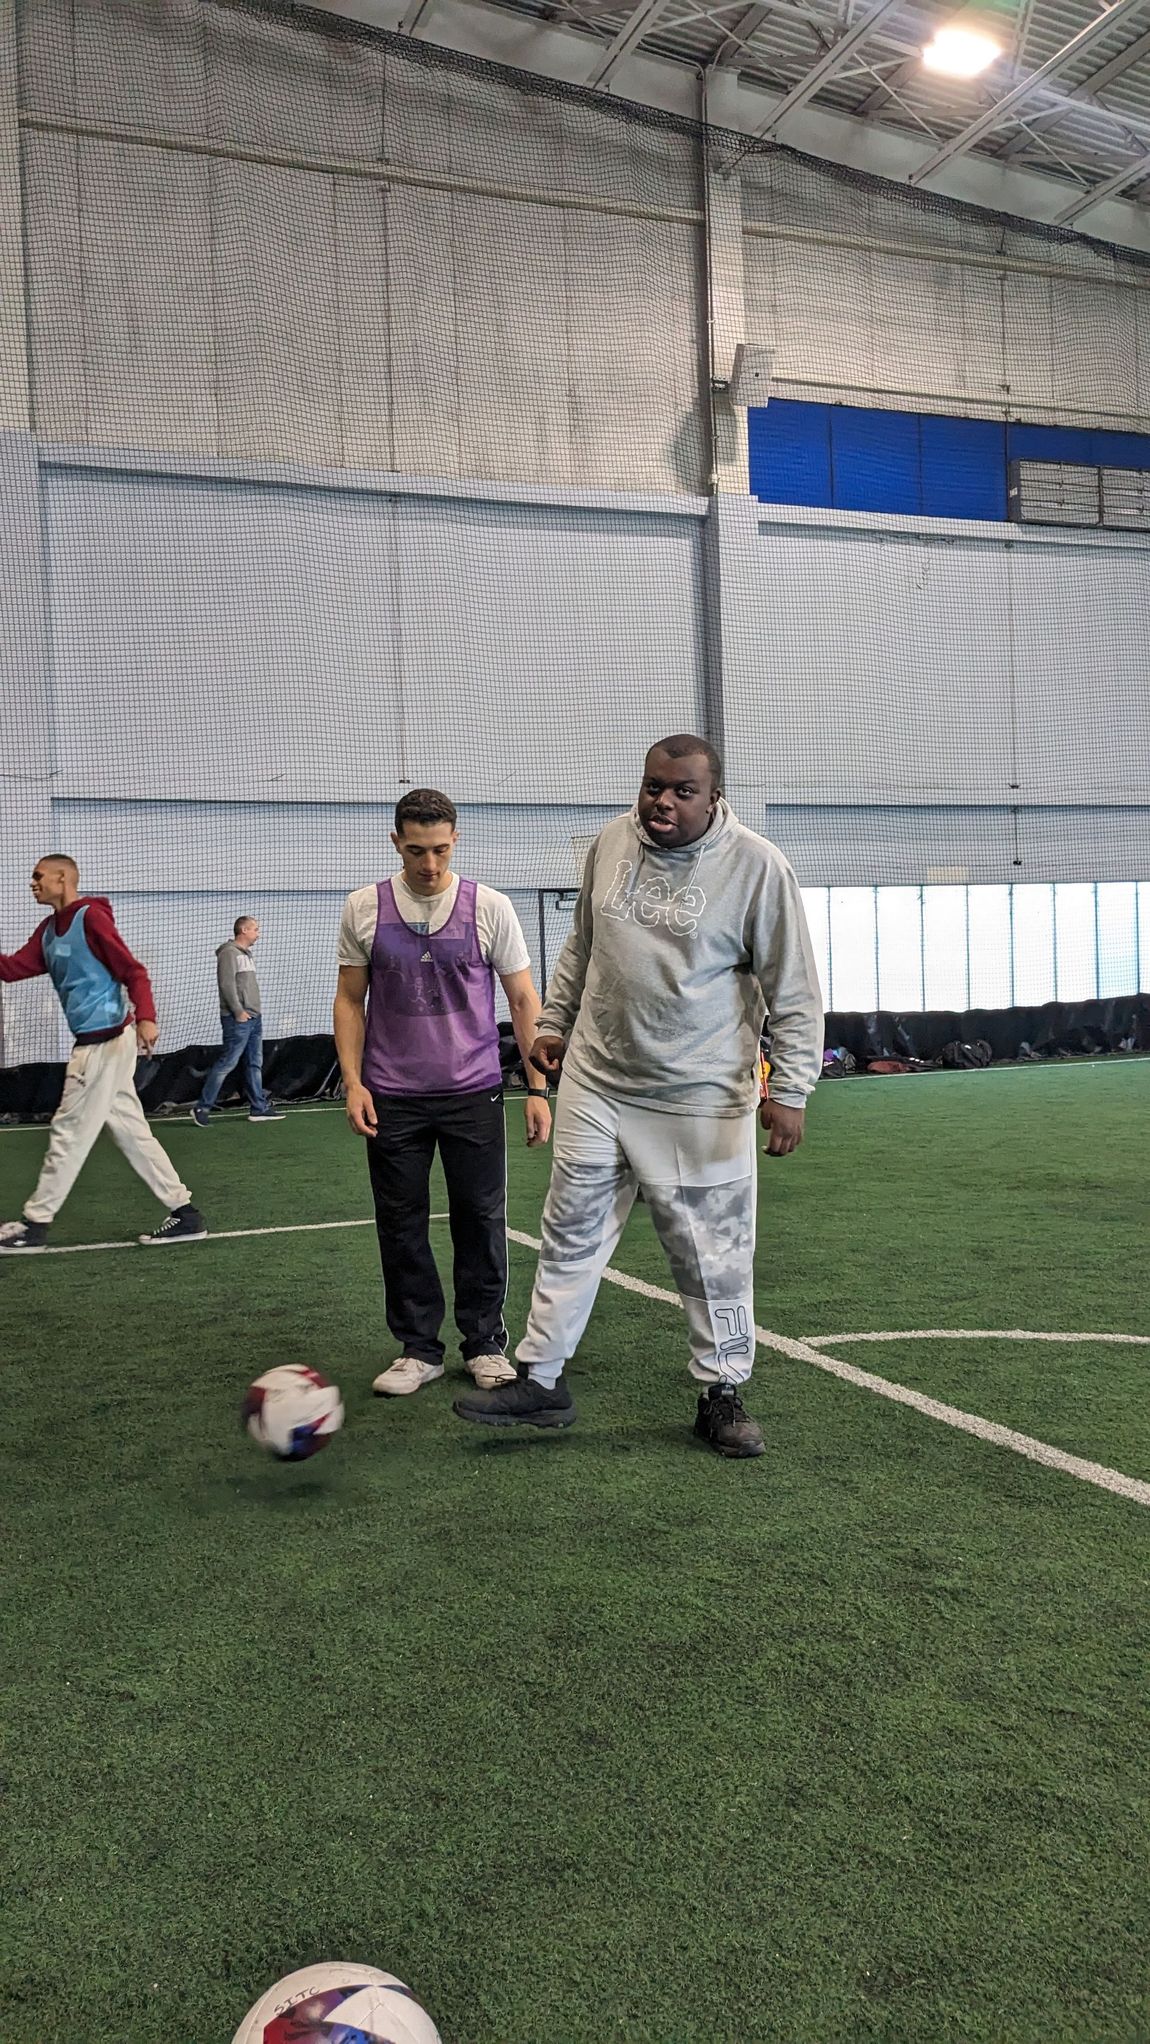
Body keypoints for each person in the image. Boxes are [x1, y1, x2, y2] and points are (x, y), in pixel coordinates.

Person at [452, 735, 824, 1458]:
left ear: (712, 797)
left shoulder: (756, 867)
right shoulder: (610, 843)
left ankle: (721, 1393)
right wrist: (555, 1023)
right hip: (597, 1080)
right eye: (654, 785)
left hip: (700, 1096)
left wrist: (794, 1086)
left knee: (711, 1255)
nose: (662, 801)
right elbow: (581, 944)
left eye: (682, 791)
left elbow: (796, 989)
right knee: (569, 1229)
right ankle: (542, 1379)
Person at [334, 788, 551, 1396]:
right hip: (392, 1097)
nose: (429, 864)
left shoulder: (492, 908)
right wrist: (353, 1083)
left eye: (439, 850)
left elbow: (523, 1000)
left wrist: (537, 1087)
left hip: (474, 1092)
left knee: (481, 1221)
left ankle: (483, 1343)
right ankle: (418, 1350)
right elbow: (350, 1001)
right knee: (399, 1224)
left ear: (456, 840)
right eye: (416, 851)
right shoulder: (362, 909)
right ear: (396, 842)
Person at [0, 855, 208, 1252]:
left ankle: (35, 1224)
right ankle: (185, 1213)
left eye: (38, 876)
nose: (33, 883)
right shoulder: (47, 931)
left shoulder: (92, 918)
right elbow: (12, 969)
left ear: (62, 879)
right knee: (132, 1133)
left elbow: (132, 971)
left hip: (106, 1045)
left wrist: (146, 1016)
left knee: (68, 1131)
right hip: (96, 1046)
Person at [191, 916, 284, 1125]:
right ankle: (202, 1107)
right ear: (243, 930)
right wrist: (238, 1011)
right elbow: (226, 984)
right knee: (227, 1062)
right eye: (255, 929)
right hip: (239, 1019)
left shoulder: (247, 955)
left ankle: (258, 1108)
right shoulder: (229, 953)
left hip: (254, 1017)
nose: (258, 933)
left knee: (254, 1063)